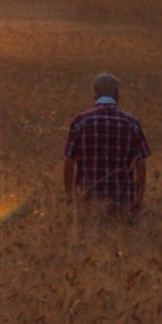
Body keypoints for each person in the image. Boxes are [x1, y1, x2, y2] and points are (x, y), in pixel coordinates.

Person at [63, 73, 152, 219]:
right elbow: (140, 165)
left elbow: (69, 161)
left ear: (94, 93)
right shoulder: (131, 122)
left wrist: (70, 196)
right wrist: (138, 198)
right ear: (117, 93)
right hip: (122, 199)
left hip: (87, 199)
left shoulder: (80, 121)